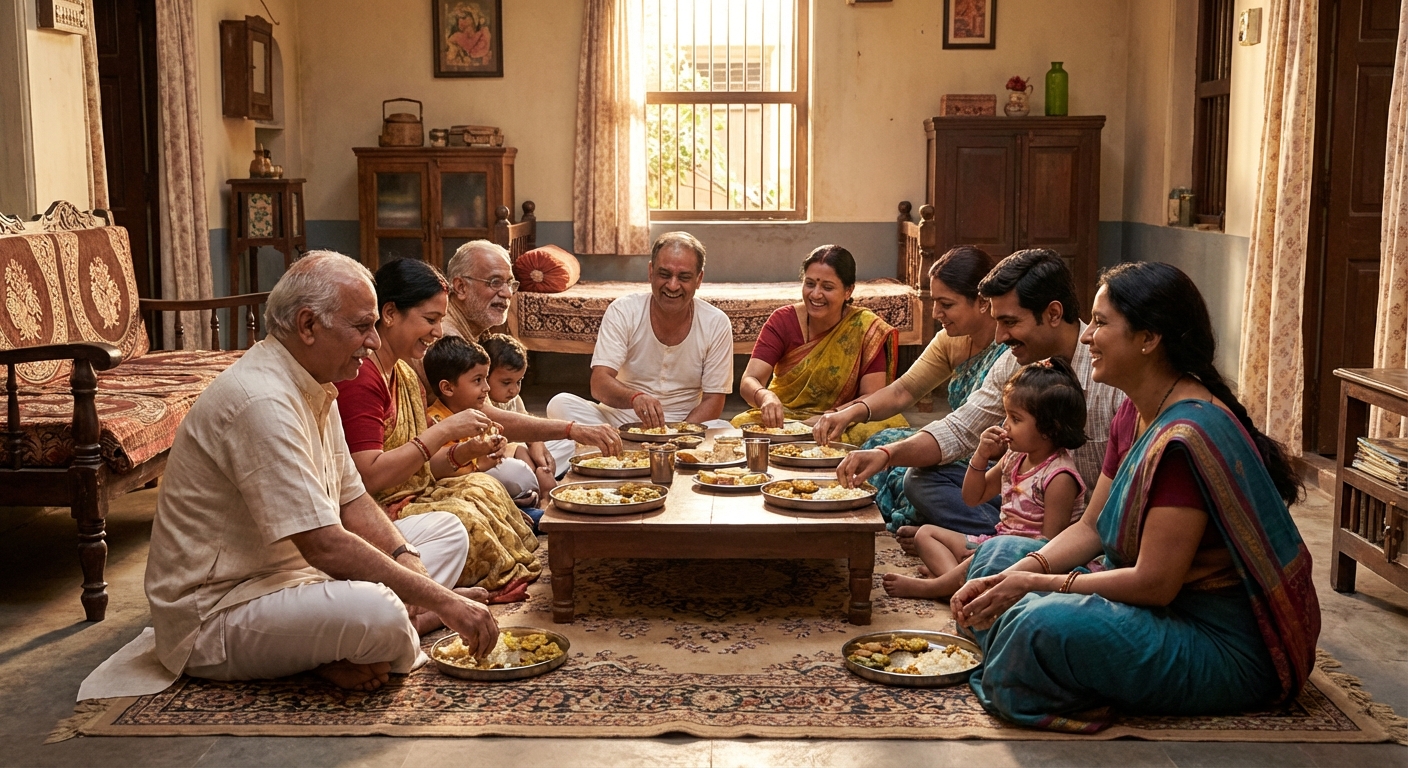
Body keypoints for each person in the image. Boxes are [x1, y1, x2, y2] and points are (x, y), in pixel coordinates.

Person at [950, 262, 1320, 730]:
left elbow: (1154, 584)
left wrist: (1037, 586)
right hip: (1160, 606)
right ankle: (1047, 661)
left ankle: (1044, 663)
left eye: (1101, 323)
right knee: (996, 560)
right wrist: (1018, 575)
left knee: (1035, 625)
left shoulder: (1187, 438)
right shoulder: (1135, 411)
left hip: (1219, 641)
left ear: (1149, 338)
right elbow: (1089, 528)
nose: (1086, 337)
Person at [143, 251, 498, 693]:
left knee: (444, 531)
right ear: (308, 325)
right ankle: (375, 629)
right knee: (378, 611)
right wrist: (441, 598)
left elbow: (352, 500)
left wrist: (409, 565)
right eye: (361, 326)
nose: (373, 341)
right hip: (224, 607)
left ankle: (346, 641)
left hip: (297, 578)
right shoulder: (262, 401)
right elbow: (324, 545)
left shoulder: (314, 379)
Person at [836, 249, 1124, 542]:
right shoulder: (1014, 361)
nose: (999, 337)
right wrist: (886, 455)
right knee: (920, 477)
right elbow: (961, 428)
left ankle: (990, 547)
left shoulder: (1111, 380)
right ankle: (997, 541)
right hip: (1026, 501)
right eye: (997, 322)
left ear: (1053, 314)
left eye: (1009, 322)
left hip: (1088, 526)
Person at [335, 258, 540, 602]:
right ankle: (429, 601)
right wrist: (444, 431)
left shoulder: (403, 373)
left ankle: (437, 593)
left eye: (441, 321)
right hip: (379, 512)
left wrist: (466, 453)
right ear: (389, 314)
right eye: (430, 319)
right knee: (458, 524)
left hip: (412, 494)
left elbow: (424, 469)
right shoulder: (363, 378)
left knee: (483, 486)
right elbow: (369, 477)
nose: (438, 332)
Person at [812, 246, 1007, 533]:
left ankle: (957, 531)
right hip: (956, 441)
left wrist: (890, 454)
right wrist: (849, 414)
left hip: (988, 458)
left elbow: (971, 432)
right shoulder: (950, 340)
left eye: (946, 304)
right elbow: (904, 391)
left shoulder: (1012, 350)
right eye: (934, 302)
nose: (935, 312)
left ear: (981, 301)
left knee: (908, 473)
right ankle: (935, 524)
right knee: (877, 442)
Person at [883, 357, 1087, 600]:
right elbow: (972, 497)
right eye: (1007, 417)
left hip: (1021, 559)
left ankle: (937, 587)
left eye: (1016, 419)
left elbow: (1047, 548)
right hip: (995, 543)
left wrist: (992, 553)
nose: (1006, 426)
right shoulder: (1014, 456)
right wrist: (981, 455)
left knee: (981, 556)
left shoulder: (1059, 477)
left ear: (1049, 429)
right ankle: (961, 585)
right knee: (925, 534)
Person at [545, 232, 733, 467]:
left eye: (683, 277)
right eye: (665, 274)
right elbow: (600, 382)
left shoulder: (716, 322)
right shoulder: (624, 311)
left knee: (724, 430)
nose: (673, 285)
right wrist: (634, 398)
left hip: (685, 425)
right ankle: (622, 447)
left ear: (699, 279)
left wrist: (678, 436)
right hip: (618, 420)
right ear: (651, 272)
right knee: (560, 403)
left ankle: (613, 453)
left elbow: (714, 400)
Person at [441, 239, 625, 460]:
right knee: (544, 455)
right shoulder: (448, 339)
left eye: (510, 283)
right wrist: (570, 429)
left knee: (565, 445)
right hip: (461, 449)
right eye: (495, 282)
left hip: (493, 435)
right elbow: (484, 416)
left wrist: (537, 439)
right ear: (461, 287)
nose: (508, 294)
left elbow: (513, 408)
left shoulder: (477, 330)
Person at [732, 245, 909, 445]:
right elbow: (749, 380)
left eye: (827, 287)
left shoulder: (865, 328)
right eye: (810, 284)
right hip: (786, 419)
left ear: (848, 291)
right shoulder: (782, 320)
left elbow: (872, 396)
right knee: (741, 425)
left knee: (883, 430)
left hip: (844, 418)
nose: (815, 294)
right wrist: (765, 397)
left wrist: (834, 416)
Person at [423, 335, 546, 510]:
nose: (486, 388)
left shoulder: (476, 415)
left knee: (522, 466)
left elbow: (493, 449)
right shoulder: (434, 420)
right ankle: (522, 504)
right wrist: (480, 464)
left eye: (486, 379)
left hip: (484, 474)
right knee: (517, 473)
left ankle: (523, 503)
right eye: (478, 380)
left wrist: (498, 447)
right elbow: (441, 474)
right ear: (448, 388)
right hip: (465, 484)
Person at [479, 332, 557, 495]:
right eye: (506, 382)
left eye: (519, 381)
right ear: (484, 376)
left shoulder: (512, 398)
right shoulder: (479, 399)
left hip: (515, 450)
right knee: (519, 468)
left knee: (565, 444)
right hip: (489, 460)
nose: (514, 390)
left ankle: (536, 480)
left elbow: (528, 427)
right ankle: (541, 488)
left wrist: (536, 443)